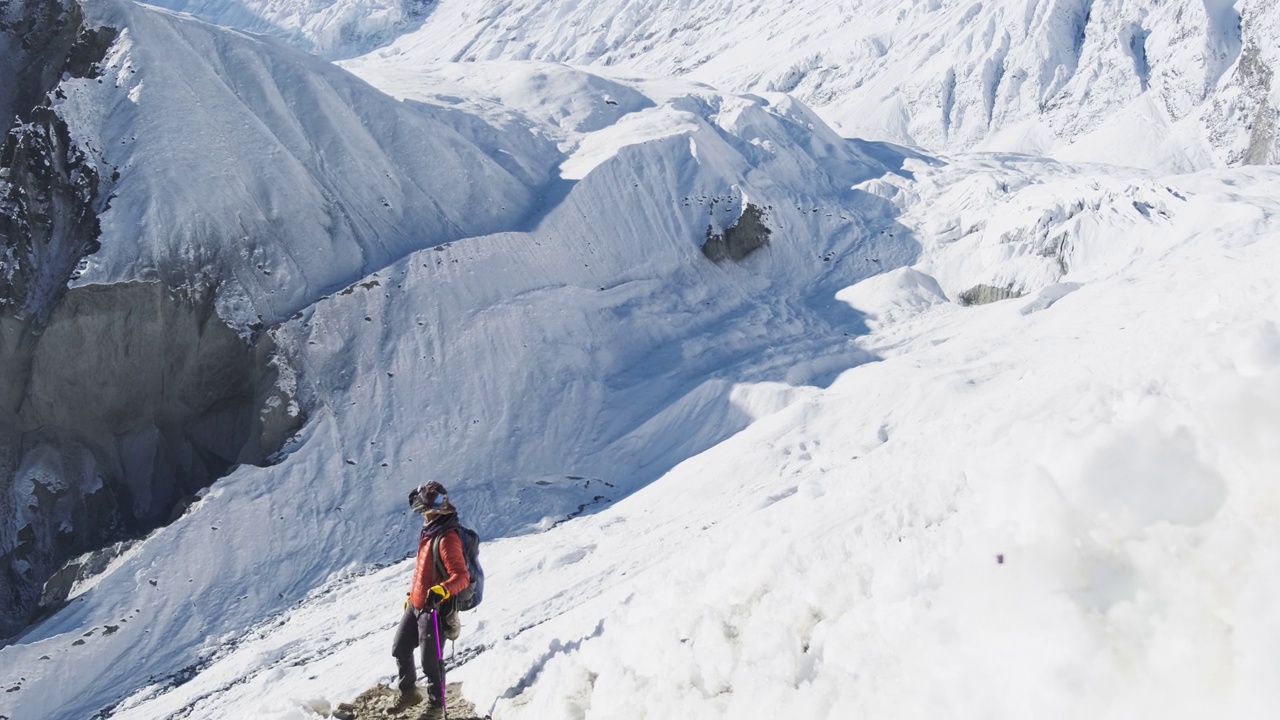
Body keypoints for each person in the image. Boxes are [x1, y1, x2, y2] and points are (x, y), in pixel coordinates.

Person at [392, 481, 471, 718]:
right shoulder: (430, 530)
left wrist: (442, 590)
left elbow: (462, 576)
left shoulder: (447, 538)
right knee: (400, 648)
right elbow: (424, 570)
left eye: (419, 505)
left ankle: (436, 707)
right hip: (417, 604)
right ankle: (409, 693)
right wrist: (411, 596)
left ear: (429, 507)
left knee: (431, 662)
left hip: (434, 609)